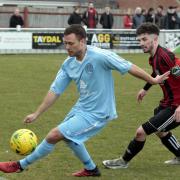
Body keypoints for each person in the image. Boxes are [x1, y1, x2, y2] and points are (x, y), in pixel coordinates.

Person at [0, 24, 169, 177]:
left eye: (70, 43)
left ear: (82, 41)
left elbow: (129, 66)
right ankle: (91, 169)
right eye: (65, 43)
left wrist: (152, 80)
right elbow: (55, 90)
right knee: (69, 137)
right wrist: (37, 113)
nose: (67, 47)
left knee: (54, 135)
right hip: (81, 108)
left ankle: (20, 165)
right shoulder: (68, 64)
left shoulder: (101, 56)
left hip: (99, 112)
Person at [103, 22, 180, 169]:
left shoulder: (165, 56)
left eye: (144, 39)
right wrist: (145, 88)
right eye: (139, 40)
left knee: (141, 132)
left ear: (155, 39)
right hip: (167, 103)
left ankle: (123, 162)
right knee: (160, 130)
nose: (141, 43)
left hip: (175, 106)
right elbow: (157, 73)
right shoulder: (154, 57)